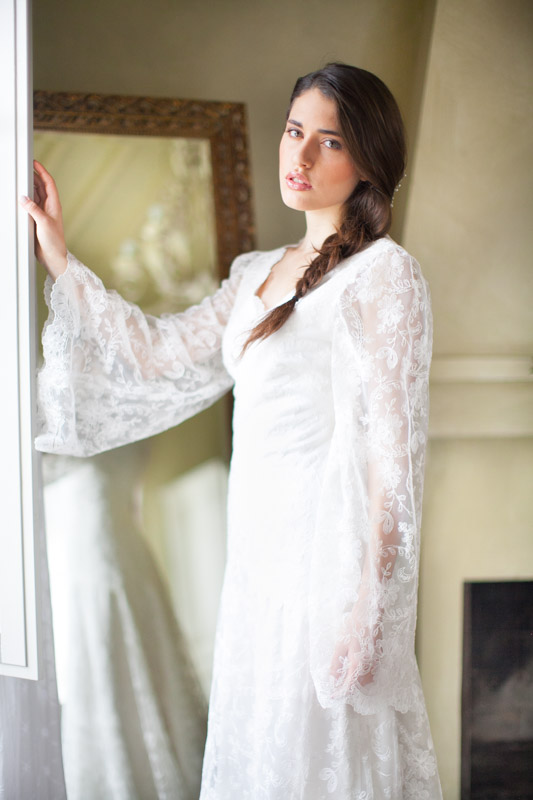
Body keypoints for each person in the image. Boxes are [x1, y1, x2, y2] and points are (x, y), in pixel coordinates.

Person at [22, 63, 443, 799]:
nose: (300, 157)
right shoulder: (255, 271)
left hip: (325, 576)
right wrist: (59, 253)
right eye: (292, 132)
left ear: (369, 161)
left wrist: (369, 616)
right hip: (257, 570)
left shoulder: (385, 276)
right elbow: (154, 354)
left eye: (330, 142)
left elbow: (393, 467)